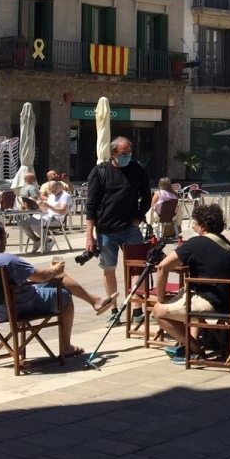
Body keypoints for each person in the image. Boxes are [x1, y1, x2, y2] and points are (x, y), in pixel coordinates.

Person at [0, 220, 115, 358]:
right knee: (63, 294)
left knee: (58, 278)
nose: (5, 239)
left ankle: (95, 301)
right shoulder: (7, 260)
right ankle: (66, 346)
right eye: (4, 236)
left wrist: (52, 273)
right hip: (22, 307)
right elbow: (41, 276)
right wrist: (55, 270)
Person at [151, 203, 230, 363]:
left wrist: (161, 298)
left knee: (158, 311)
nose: (192, 225)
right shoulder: (225, 242)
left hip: (214, 302)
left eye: (195, 223)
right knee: (189, 293)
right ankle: (190, 342)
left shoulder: (196, 243)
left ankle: (194, 349)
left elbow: (163, 267)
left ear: (203, 226)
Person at [85, 137, 151, 323]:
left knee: (138, 268)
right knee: (108, 269)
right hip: (106, 230)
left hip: (130, 229)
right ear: (113, 154)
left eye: (129, 153)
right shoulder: (100, 172)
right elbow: (91, 206)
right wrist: (89, 236)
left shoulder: (137, 170)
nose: (127, 157)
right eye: (123, 154)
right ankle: (114, 310)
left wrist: (138, 219)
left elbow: (146, 197)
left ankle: (137, 309)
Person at [20, 180, 71, 253]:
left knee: (35, 224)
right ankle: (37, 240)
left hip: (56, 219)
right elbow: (46, 209)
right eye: (50, 192)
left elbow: (62, 211)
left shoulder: (65, 196)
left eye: (53, 191)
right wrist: (40, 205)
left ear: (58, 187)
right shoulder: (52, 195)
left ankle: (48, 241)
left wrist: (49, 206)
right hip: (45, 216)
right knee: (23, 224)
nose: (52, 193)